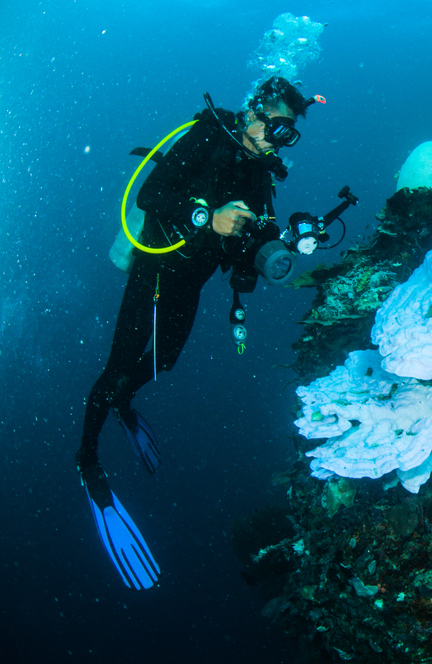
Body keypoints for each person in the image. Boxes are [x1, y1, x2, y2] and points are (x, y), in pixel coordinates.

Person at [78, 76, 314, 589]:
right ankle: (87, 458)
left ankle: (123, 403)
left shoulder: (260, 170)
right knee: (120, 362)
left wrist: (270, 244)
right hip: (155, 267)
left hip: (193, 278)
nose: (277, 139)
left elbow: (251, 237)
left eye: (288, 133)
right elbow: (150, 194)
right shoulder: (206, 137)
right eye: (273, 125)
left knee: (165, 360)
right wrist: (207, 219)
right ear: (251, 112)